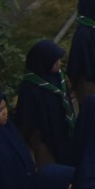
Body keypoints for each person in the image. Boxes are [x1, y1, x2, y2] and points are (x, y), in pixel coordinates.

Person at [13, 39, 77, 167]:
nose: (59, 63)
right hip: (45, 140)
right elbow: (26, 118)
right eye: (55, 61)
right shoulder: (30, 87)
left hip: (64, 132)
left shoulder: (58, 78)